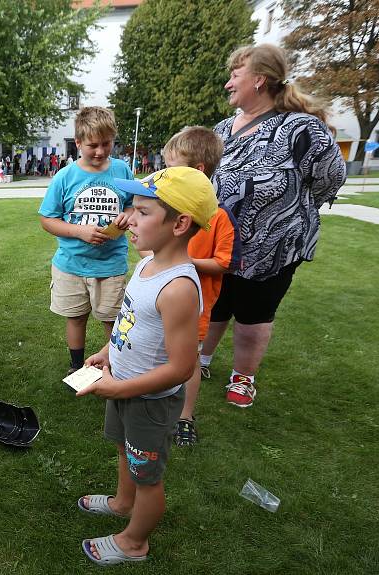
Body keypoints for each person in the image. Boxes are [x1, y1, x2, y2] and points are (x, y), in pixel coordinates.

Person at [76, 166, 218, 566]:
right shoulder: (146, 264)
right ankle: (123, 503)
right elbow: (129, 319)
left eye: (142, 211)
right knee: (125, 450)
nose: (129, 218)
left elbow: (182, 367)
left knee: (148, 477)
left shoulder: (178, 288)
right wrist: (108, 350)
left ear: (180, 224)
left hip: (148, 402)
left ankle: (135, 541)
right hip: (121, 384)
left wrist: (119, 389)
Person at [205, 43, 346, 408]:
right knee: (216, 303)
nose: (228, 84)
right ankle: (201, 359)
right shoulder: (222, 129)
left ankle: (242, 378)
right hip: (220, 243)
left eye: (235, 76)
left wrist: (287, 212)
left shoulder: (301, 129)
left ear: (259, 79)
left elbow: (330, 177)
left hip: (273, 246)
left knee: (253, 313)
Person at [38, 106, 134, 376]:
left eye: (107, 144)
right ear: (78, 142)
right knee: (76, 316)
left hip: (111, 264)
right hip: (72, 264)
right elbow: (47, 219)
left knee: (111, 319)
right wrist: (80, 232)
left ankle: (114, 366)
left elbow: (134, 204)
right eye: (93, 145)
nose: (101, 151)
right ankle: (76, 365)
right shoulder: (65, 177)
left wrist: (128, 214)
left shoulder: (122, 170)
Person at [161, 127, 240, 446]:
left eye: (172, 168)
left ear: (197, 172)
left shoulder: (219, 217)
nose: (166, 175)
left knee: (188, 362)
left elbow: (223, 262)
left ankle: (185, 417)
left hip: (197, 308)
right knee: (160, 355)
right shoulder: (169, 210)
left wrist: (184, 263)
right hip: (161, 303)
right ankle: (155, 403)